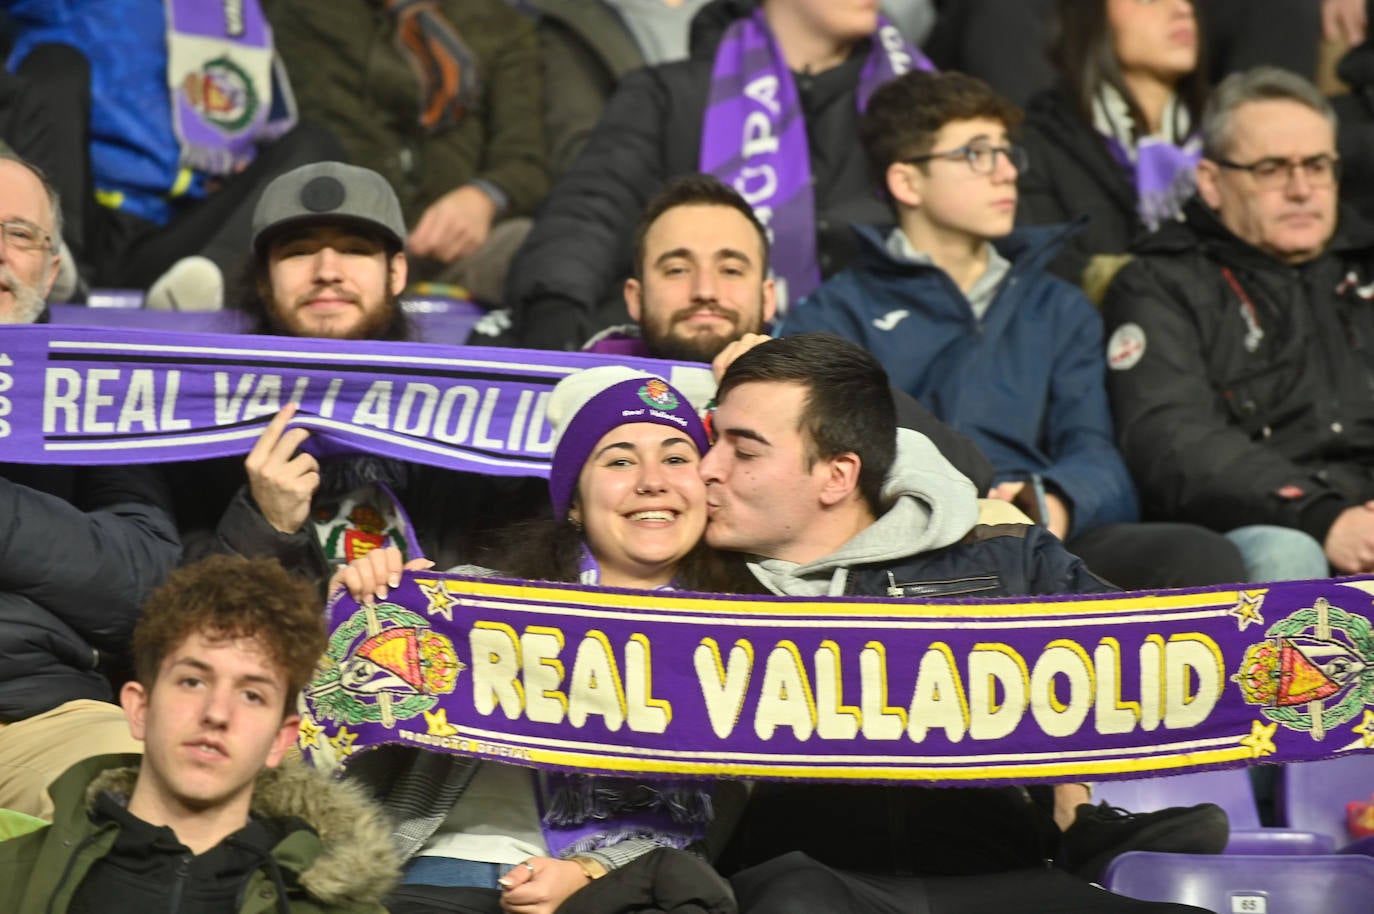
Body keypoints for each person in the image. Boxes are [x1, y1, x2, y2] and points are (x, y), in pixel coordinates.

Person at [699, 334, 1228, 900]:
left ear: (837, 476)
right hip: (807, 887)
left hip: (1005, 878)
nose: (707, 469)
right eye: (712, 444)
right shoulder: (691, 587)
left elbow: (1148, 664)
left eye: (744, 451)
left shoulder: (1003, 553)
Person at [777, 69, 1250, 590]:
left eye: (1007, 152)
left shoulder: (1057, 306)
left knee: (1197, 556)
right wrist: (953, 507)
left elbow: (1096, 452)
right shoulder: (834, 312)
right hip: (902, 540)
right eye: (977, 154)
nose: (1006, 172)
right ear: (906, 181)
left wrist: (1050, 501)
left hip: (1036, 534)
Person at [328, 367, 740, 914]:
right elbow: (339, 746)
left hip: (626, 892)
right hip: (436, 875)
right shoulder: (469, 598)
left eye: (676, 457)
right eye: (619, 460)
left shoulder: (749, 633)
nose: (652, 481)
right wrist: (360, 618)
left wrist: (593, 870)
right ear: (573, 502)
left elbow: (725, 815)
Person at [170, 160, 545, 584]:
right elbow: (192, 618)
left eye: (354, 249)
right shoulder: (199, 425)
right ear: (263, 280)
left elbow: (523, 574)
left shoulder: (465, 418)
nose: (327, 272)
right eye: (299, 252)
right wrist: (263, 523)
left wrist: (441, 588)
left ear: (397, 272)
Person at [504, 0, 928, 351]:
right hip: (698, 359)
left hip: (878, 361)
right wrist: (553, 309)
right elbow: (592, 208)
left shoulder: (920, 102)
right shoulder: (671, 94)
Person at [0, 553, 400, 912]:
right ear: (140, 709)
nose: (217, 713)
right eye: (193, 681)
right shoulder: (14, 876)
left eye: (251, 695)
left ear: (280, 740)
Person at [1103, 66, 1362, 580]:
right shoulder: (1159, 282)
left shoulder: (1364, 269)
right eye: (1271, 168)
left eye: (1317, 165)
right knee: (1288, 554)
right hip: (1255, 521)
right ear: (1212, 183)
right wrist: (1319, 513)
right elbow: (1170, 437)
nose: (1301, 189)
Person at [583, 172, 997, 491]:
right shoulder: (576, 387)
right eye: (677, 269)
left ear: (768, 298)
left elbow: (969, 473)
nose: (705, 291)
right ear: (634, 298)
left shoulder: (811, 379)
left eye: (730, 269)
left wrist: (810, 388)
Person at [0, 153, 182, 819]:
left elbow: (150, 587)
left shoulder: (92, 389)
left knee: (158, 807)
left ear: (49, 270)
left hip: (39, 713)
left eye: (19, 235)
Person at [3, 0, 343, 307]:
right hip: (74, 209)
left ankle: (203, 285)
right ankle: (53, 262)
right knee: (55, 63)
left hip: (178, 228)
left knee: (314, 145)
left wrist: (247, 162)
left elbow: (271, 118)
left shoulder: (236, 11)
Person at [265, 0, 548, 308]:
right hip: (342, 233)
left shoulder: (500, 23)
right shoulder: (305, 11)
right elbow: (312, 137)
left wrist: (485, 196)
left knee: (542, 250)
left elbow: (526, 159)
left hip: (455, 244)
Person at [1015, 0, 1207, 291]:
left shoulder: (1232, 137)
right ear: (1091, 14)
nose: (1182, 8)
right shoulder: (1036, 145)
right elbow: (1046, 278)